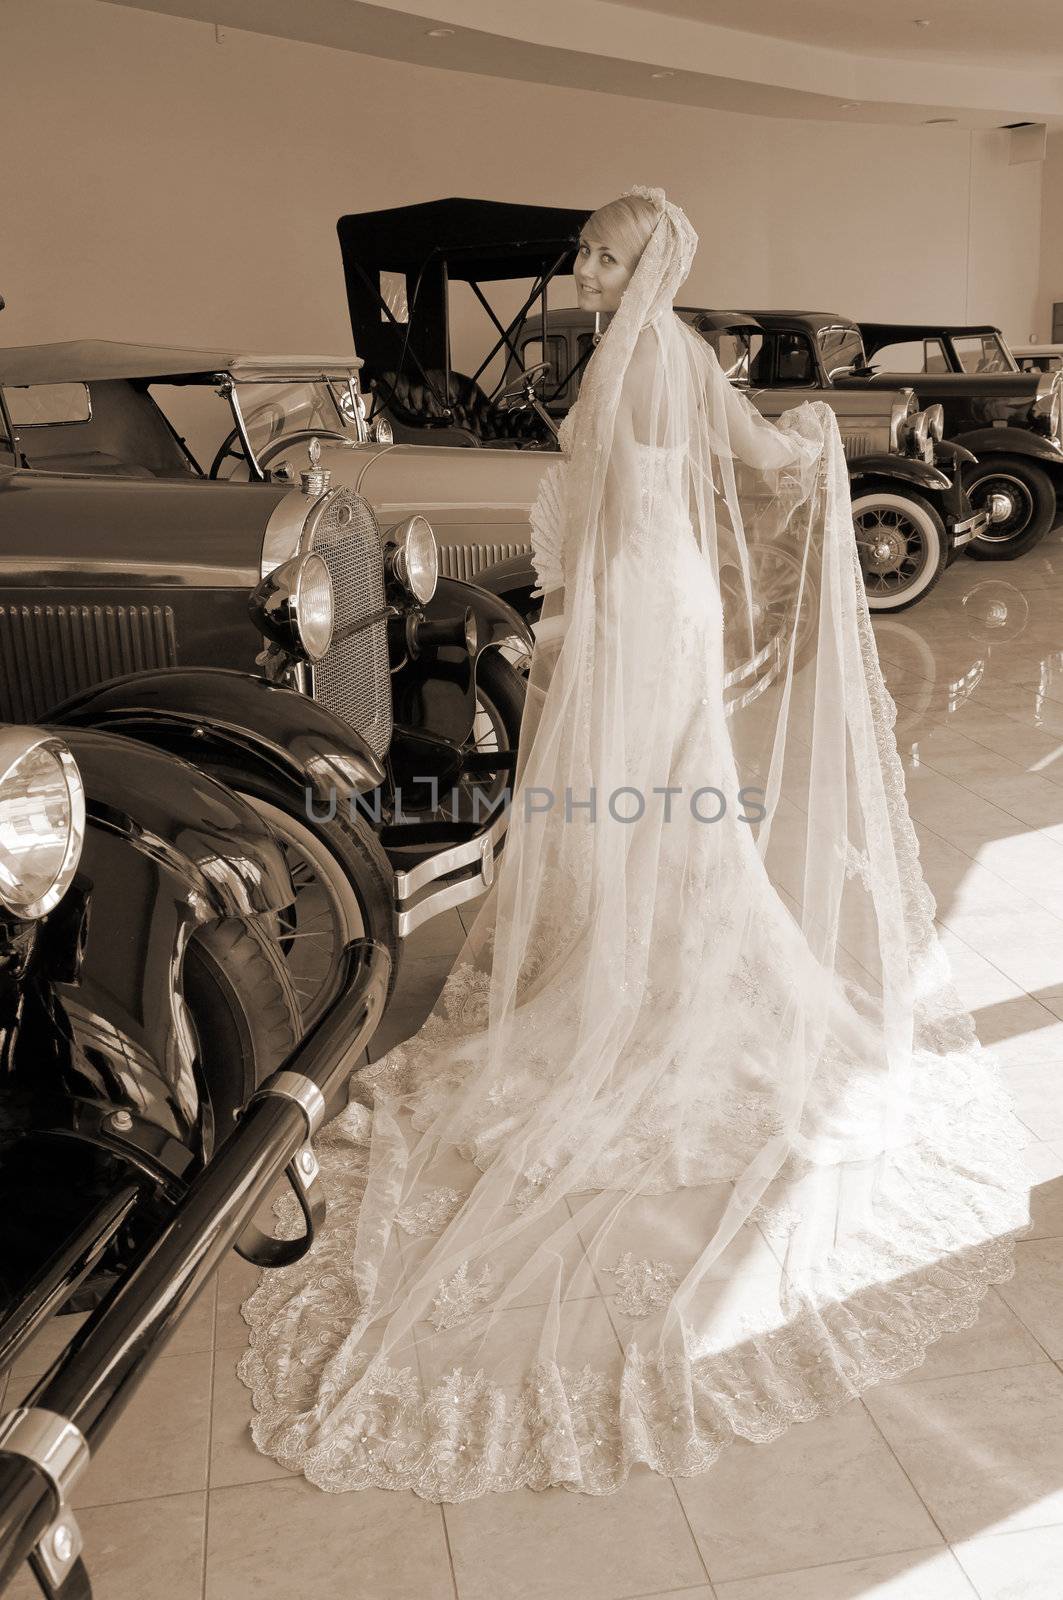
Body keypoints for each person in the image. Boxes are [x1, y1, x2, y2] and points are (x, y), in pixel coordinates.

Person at [238, 187, 1029, 1501]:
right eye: (591, 253)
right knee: (647, 796)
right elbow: (680, 479)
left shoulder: (654, 351)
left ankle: (659, 974)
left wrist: (815, 446)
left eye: (609, 253)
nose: (590, 270)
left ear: (653, 256)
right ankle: (633, 956)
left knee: (656, 794)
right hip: (626, 596)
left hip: (642, 600)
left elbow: (750, 467)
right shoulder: (639, 350)